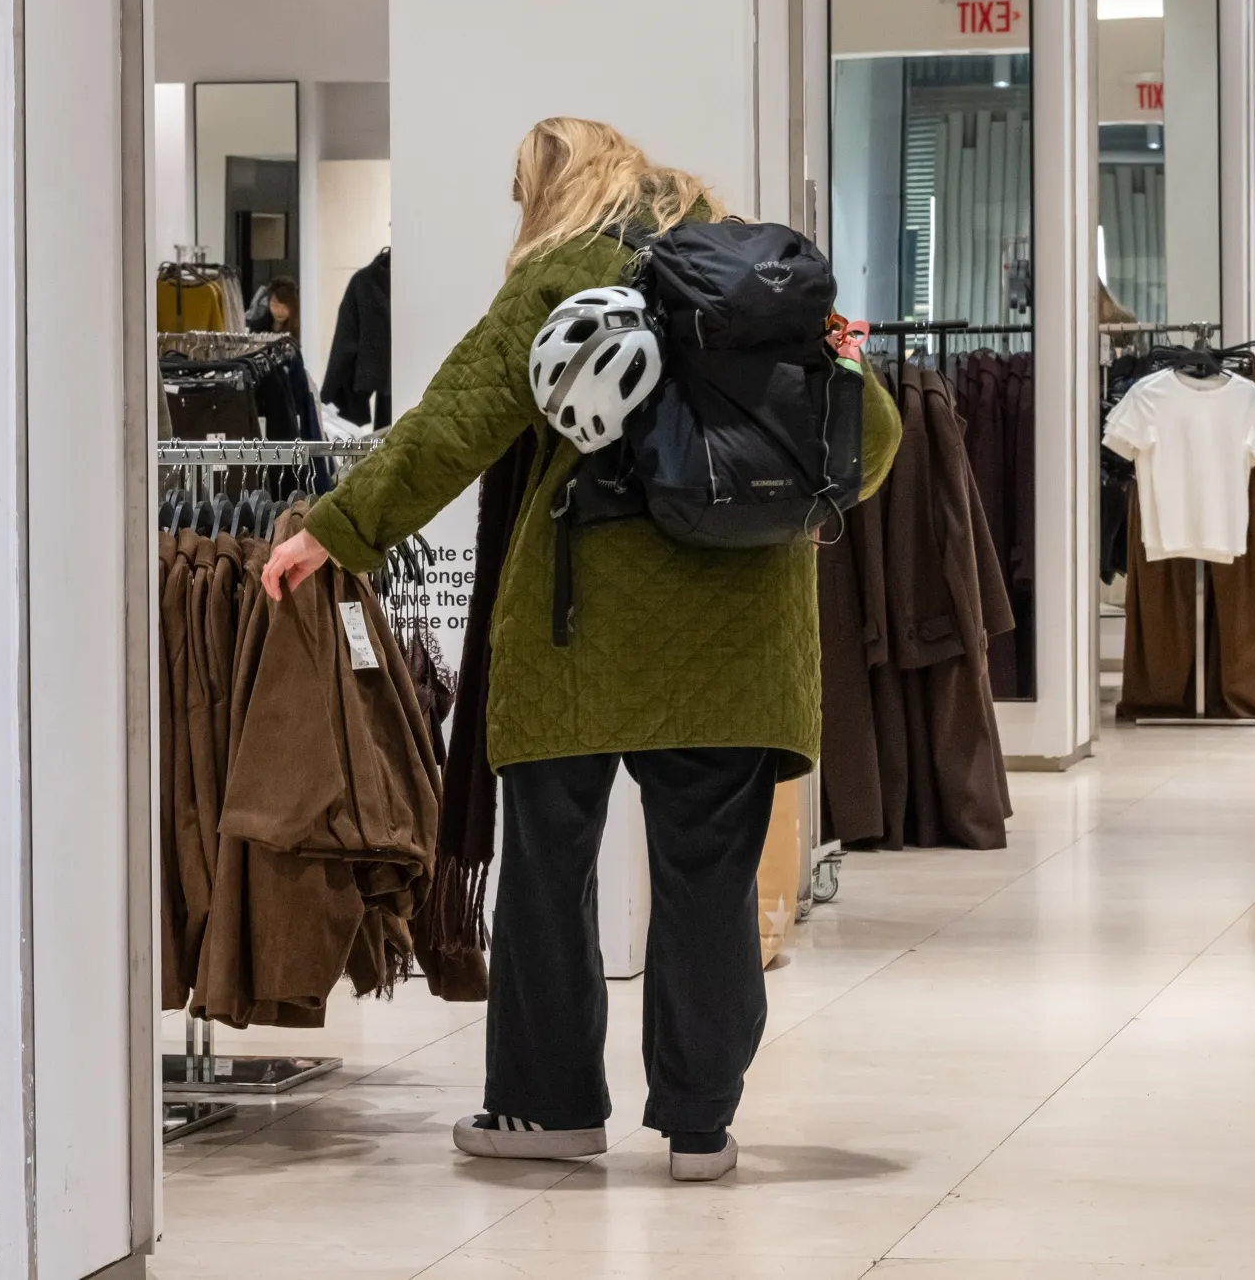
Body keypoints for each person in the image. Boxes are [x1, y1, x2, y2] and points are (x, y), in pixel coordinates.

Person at [258, 117, 902, 1181]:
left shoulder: (562, 273)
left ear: (551, 188)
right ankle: (699, 1125)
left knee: (551, 875)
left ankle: (545, 1106)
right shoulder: (761, 277)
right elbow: (868, 441)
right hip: (745, 638)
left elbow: (450, 424)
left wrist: (334, 530)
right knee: (709, 879)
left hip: (577, 629)